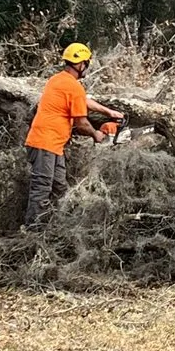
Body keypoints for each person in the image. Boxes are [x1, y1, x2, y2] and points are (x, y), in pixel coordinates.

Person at [22, 43, 124, 229]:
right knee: (42, 187)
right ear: (80, 64)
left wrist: (109, 112)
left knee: (60, 186)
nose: (87, 67)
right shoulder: (73, 87)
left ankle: (58, 225)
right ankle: (32, 232)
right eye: (86, 63)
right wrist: (96, 135)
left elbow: (82, 100)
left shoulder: (58, 80)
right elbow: (82, 123)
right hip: (45, 143)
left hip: (52, 144)